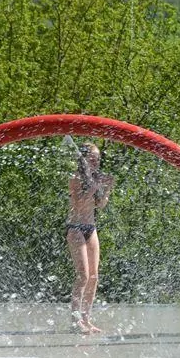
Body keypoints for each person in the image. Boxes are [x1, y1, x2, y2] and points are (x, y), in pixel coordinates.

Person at [66, 143, 112, 334]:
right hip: (75, 227)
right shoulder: (75, 179)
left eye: (98, 159)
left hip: (91, 228)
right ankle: (75, 319)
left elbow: (100, 206)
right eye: (92, 158)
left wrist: (107, 188)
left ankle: (86, 319)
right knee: (83, 275)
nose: (96, 162)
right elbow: (78, 205)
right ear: (83, 159)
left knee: (94, 276)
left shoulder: (94, 178)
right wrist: (94, 186)